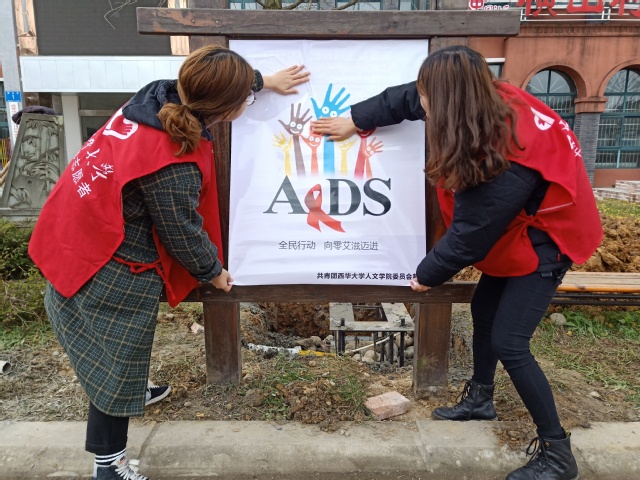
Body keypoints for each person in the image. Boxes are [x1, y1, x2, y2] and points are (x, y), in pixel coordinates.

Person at [312, 45, 602, 480]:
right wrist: (358, 118)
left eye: (427, 97)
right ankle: (480, 399)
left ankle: (558, 454)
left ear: (450, 98)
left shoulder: (508, 151)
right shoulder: (475, 97)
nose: (421, 104)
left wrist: (425, 276)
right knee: (484, 310)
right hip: (515, 231)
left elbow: (471, 234)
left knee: (511, 343)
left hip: (548, 238)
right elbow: (407, 97)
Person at [28, 45, 309, 480]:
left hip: (75, 233)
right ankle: (109, 465)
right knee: (114, 362)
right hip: (106, 264)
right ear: (228, 109)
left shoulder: (155, 97)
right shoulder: (173, 158)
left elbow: (214, 84)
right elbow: (181, 232)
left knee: (115, 353)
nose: (250, 101)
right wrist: (213, 271)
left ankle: (133, 389)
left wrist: (263, 81)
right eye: (247, 97)